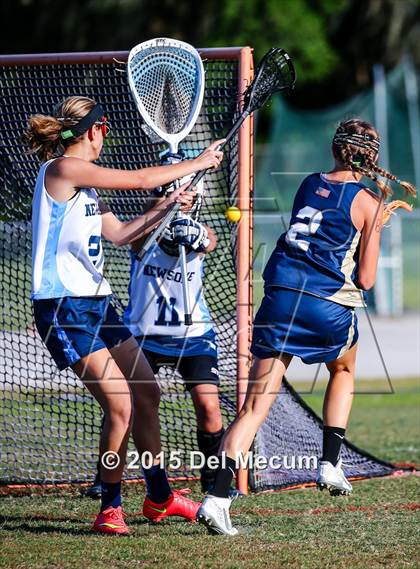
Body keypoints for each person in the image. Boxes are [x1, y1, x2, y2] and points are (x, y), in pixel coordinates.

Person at [196, 118, 416, 535]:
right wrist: (375, 227)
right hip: (323, 304)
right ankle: (330, 462)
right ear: (371, 157)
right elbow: (366, 279)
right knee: (344, 368)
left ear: (334, 149)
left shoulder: (309, 183)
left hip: (280, 297)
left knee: (253, 409)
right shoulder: (368, 202)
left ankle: (217, 498)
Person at [24, 95, 224, 535]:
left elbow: (119, 234)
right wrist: (198, 163)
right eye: (105, 131)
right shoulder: (63, 169)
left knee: (146, 392)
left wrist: (168, 205)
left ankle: (159, 497)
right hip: (64, 306)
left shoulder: (85, 187)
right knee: (121, 404)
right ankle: (110, 508)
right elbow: (140, 179)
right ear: (95, 130)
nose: (105, 139)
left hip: (97, 302)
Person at [86, 169, 243, 501]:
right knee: (124, 405)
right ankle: (105, 475)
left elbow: (210, 241)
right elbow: (137, 240)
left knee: (209, 406)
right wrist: (165, 211)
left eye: (188, 195)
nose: (183, 200)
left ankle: (214, 480)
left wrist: (193, 234)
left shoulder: (196, 229)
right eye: (172, 193)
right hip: (142, 335)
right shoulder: (143, 231)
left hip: (193, 336)